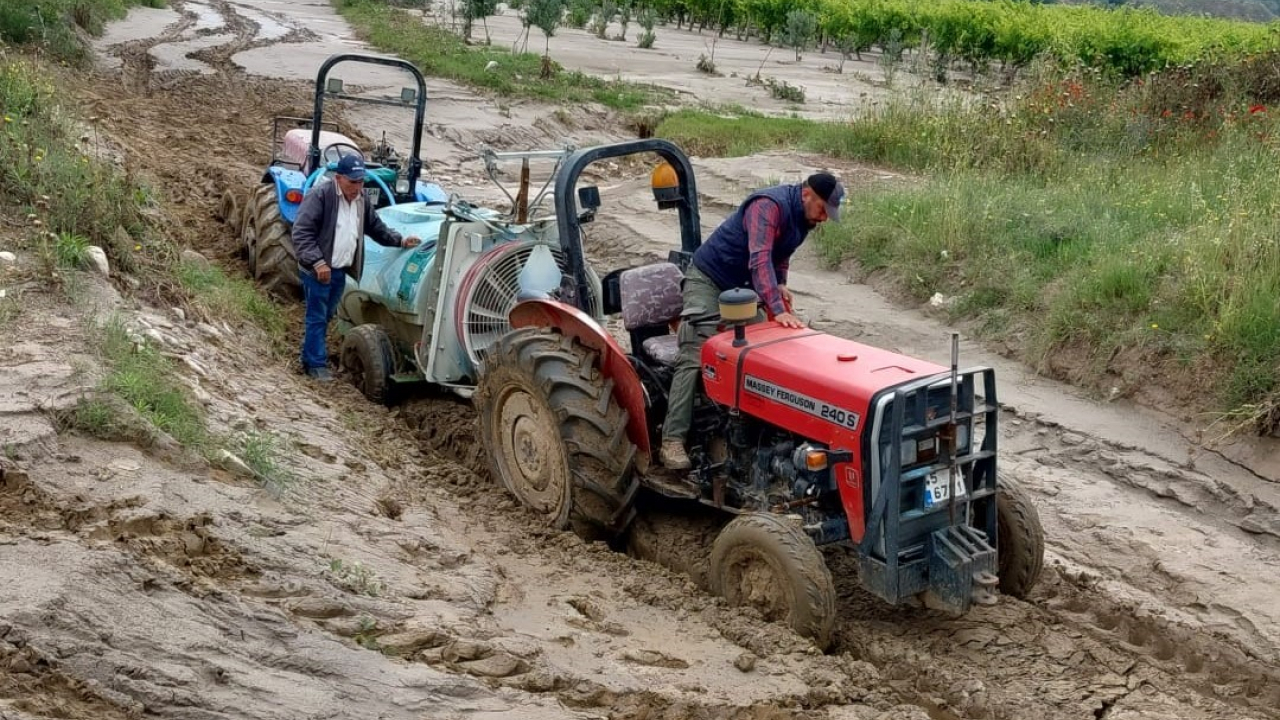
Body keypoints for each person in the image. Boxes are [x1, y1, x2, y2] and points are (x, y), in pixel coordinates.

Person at [660, 172, 844, 469]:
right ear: (807, 194)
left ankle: (756, 430)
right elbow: (759, 258)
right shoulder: (767, 206)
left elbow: (780, 255)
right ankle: (672, 439)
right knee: (696, 348)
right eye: (823, 208)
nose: (824, 218)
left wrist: (781, 284)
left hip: (742, 288)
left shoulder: (804, 219)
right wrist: (776, 307)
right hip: (709, 280)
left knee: (764, 348)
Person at [292, 154, 421, 382]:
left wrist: (400, 240)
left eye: (361, 182)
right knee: (317, 317)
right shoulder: (320, 197)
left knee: (327, 315)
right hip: (318, 271)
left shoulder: (361, 201)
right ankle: (315, 365)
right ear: (339, 178)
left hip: (339, 271)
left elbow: (375, 227)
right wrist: (318, 262)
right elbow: (302, 233)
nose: (357, 187)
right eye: (352, 182)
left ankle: (309, 355)